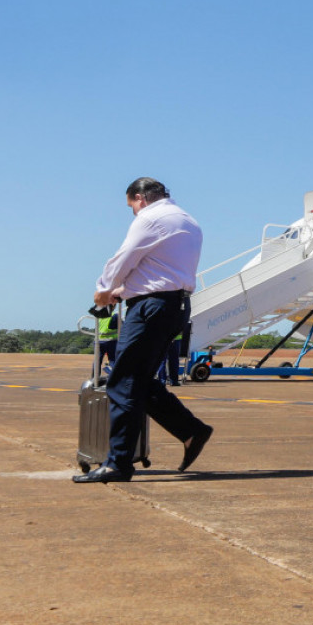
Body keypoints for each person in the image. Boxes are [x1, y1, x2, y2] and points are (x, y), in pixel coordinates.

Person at [75, 178, 214, 483]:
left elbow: (124, 258)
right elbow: (161, 272)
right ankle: (191, 431)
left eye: (132, 207)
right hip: (174, 306)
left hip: (150, 309)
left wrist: (104, 290)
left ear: (139, 198)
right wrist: (123, 292)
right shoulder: (188, 220)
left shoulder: (151, 218)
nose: (134, 213)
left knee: (123, 383)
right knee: (138, 381)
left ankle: (118, 464)